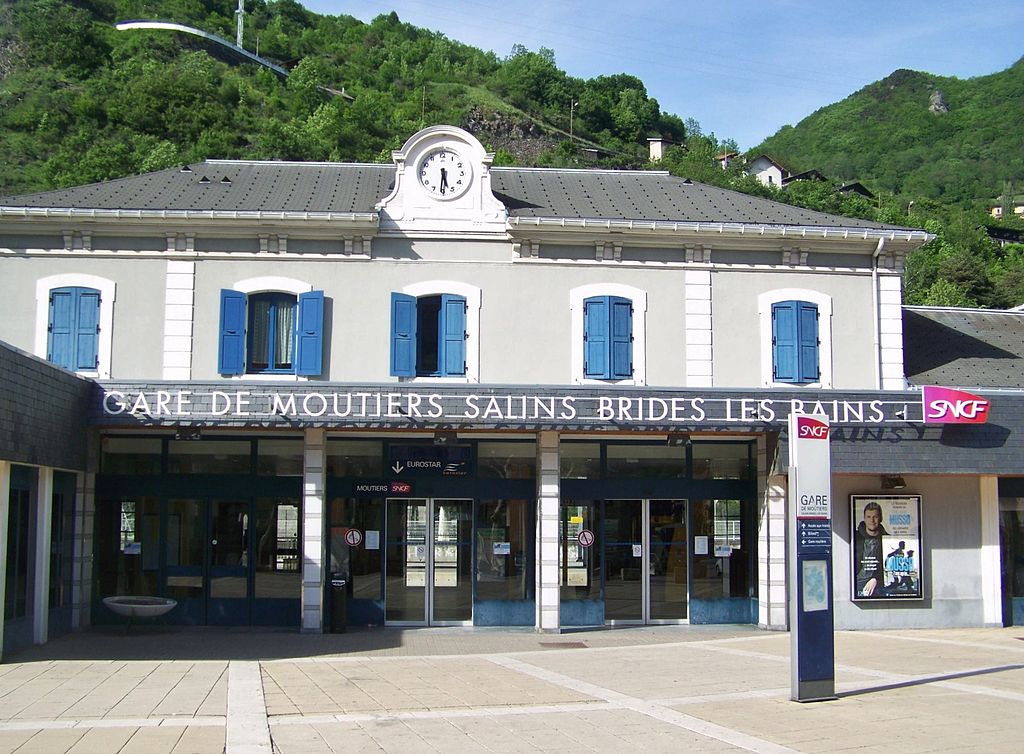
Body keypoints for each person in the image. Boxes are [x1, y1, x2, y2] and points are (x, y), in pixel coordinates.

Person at [854, 501, 889, 597]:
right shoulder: (854, 538)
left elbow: (889, 569)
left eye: (875, 517)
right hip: (855, 583)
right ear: (864, 518)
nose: (872, 520)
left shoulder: (887, 540)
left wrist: (876, 579)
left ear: (880, 518)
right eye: (868, 517)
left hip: (878, 584)